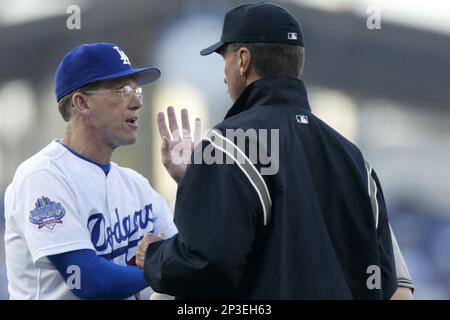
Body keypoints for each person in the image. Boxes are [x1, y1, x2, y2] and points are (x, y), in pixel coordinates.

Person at [136, 3, 414, 299]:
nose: (224, 75)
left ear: (243, 60)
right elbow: (385, 280)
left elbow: (207, 267)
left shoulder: (227, 145)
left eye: (225, 60)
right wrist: (195, 181)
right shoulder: (354, 159)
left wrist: (154, 255)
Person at [3, 43, 186, 299]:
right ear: (82, 103)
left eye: (137, 91)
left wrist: (187, 183)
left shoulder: (136, 185)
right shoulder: (41, 176)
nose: (136, 102)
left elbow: (189, 254)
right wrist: (162, 268)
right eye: (123, 91)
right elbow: (88, 280)